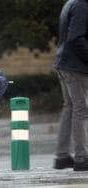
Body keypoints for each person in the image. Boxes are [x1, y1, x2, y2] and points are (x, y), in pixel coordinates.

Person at [54, 0, 88, 171]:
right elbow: (76, 38)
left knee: (70, 108)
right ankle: (82, 158)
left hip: (63, 62)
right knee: (81, 108)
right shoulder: (82, 6)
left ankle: (61, 156)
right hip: (74, 67)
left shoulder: (71, 3)